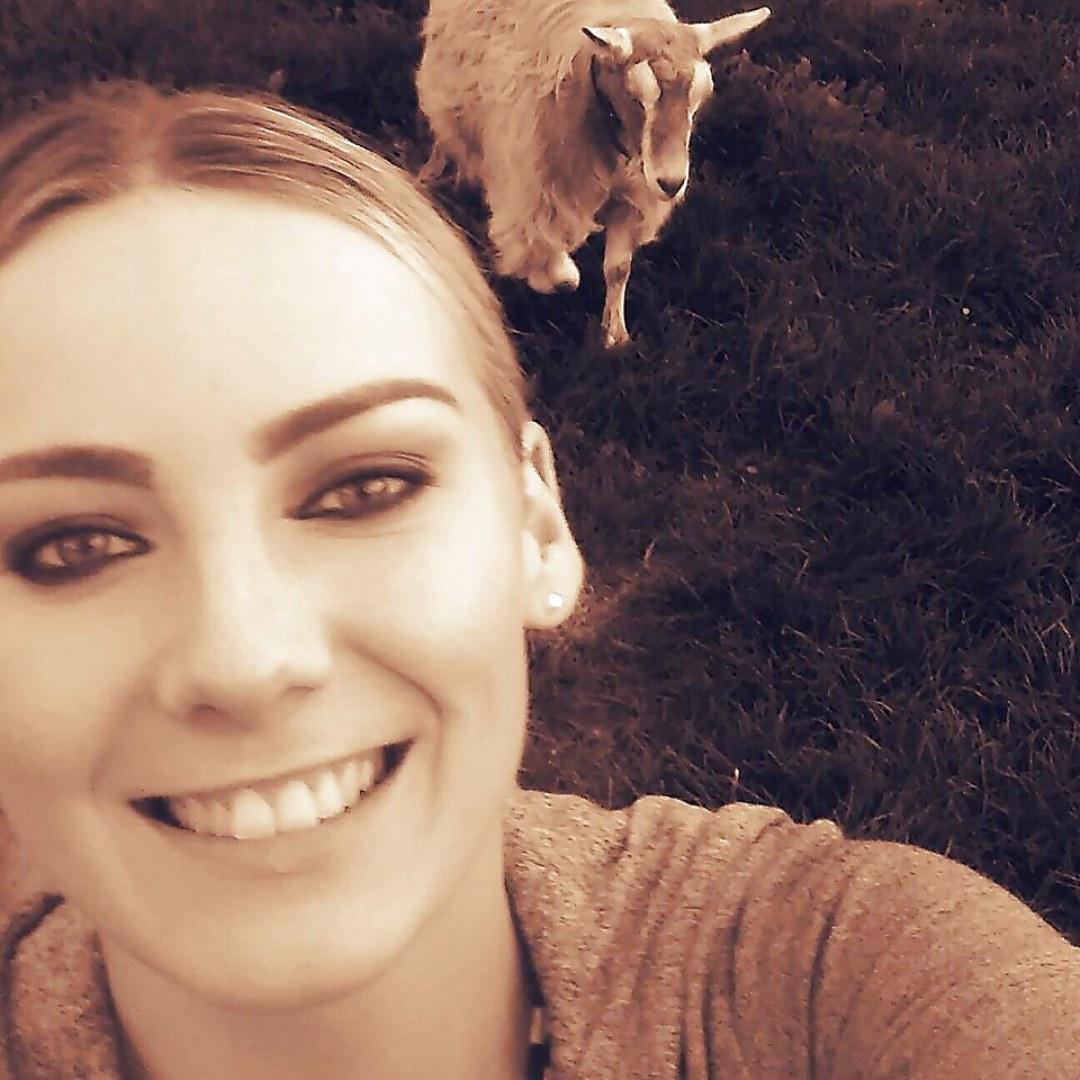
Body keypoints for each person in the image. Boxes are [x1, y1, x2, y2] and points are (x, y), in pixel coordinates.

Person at [0, 80, 1076, 1080]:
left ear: (537, 526)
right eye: (71, 546)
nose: (243, 659)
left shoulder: (829, 983)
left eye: (365, 487)